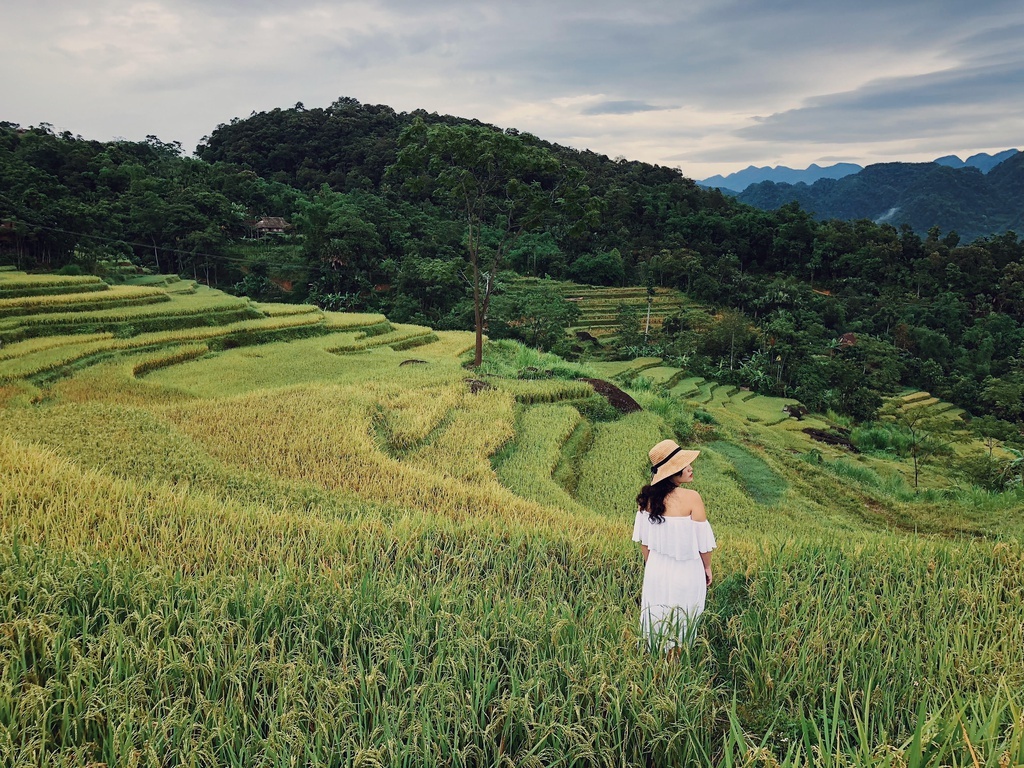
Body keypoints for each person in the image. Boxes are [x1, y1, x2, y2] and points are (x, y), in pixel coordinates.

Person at [633, 438, 716, 652]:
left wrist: (656, 566)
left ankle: (655, 660)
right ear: (672, 472)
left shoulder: (647, 500)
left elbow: (644, 543)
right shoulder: (692, 498)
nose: (690, 468)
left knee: (657, 618)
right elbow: (703, 544)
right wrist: (707, 567)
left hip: (656, 571)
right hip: (687, 570)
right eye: (684, 465)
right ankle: (678, 663)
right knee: (684, 617)